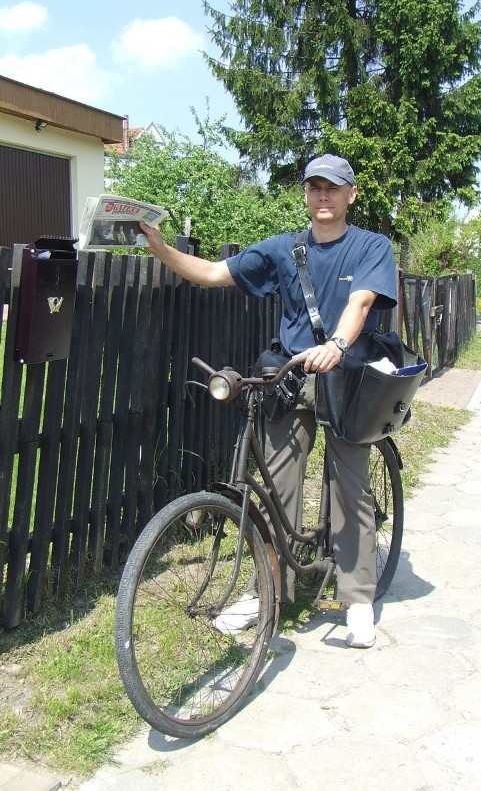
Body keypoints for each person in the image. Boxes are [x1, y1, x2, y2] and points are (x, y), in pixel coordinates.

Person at [139, 154, 398, 648]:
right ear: (305, 194)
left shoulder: (371, 246)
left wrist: (338, 344)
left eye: (333, 188)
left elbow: (361, 302)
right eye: (315, 188)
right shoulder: (285, 248)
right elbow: (214, 272)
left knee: (349, 486)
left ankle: (358, 597)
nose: (323, 196)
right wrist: (160, 249)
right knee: (277, 488)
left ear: (351, 194)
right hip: (289, 375)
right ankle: (268, 592)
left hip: (348, 378)